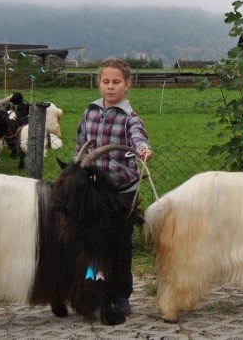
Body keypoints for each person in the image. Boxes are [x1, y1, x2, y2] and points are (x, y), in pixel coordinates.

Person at [75, 58, 153, 315]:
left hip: (121, 193)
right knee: (93, 243)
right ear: (99, 83)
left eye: (116, 82)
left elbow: (138, 140)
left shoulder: (131, 118)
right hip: (94, 192)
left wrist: (143, 150)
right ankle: (95, 292)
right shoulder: (89, 113)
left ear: (127, 85)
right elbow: (80, 146)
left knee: (120, 244)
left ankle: (121, 295)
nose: (110, 87)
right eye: (105, 82)